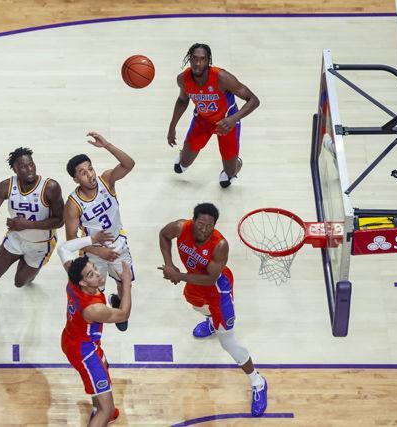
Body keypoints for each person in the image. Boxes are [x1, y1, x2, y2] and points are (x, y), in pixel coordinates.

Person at [158, 203, 268, 416]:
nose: (204, 229)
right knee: (194, 304)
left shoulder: (220, 245)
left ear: (214, 226)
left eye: (210, 226)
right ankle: (210, 321)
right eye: (201, 224)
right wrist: (169, 264)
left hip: (217, 290)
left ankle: (258, 381)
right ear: (193, 221)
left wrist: (178, 276)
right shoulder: (181, 227)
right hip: (194, 282)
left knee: (227, 342)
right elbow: (163, 235)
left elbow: (210, 279)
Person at [57, 230, 132, 426]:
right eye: (91, 274)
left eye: (94, 269)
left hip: (71, 338)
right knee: (106, 411)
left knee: (104, 367)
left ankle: (101, 407)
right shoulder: (94, 309)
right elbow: (123, 314)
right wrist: (126, 285)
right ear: (83, 282)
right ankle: (102, 414)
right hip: (85, 351)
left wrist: (93, 240)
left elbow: (64, 247)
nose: (98, 273)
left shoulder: (74, 279)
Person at [0, 147, 64, 303]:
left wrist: (28, 224)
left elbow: (60, 220)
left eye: (31, 164)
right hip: (16, 237)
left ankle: (30, 267)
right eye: (22, 166)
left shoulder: (50, 187)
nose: (29, 169)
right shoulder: (6, 186)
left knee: (20, 282)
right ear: (14, 169)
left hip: (41, 244)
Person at [65, 132, 136, 331]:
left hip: (118, 244)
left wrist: (107, 145)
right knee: (96, 291)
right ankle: (102, 314)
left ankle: (119, 307)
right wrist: (98, 251)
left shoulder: (106, 180)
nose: (90, 175)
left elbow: (129, 164)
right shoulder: (72, 204)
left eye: (90, 169)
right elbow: (71, 240)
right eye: (83, 172)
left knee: (124, 283)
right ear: (75, 179)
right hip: (93, 252)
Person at [167, 43, 260, 188]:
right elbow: (182, 100)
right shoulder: (183, 79)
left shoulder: (222, 78)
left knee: (227, 176)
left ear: (208, 60)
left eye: (202, 59)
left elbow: (254, 100)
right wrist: (172, 127)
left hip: (227, 123)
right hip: (202, 121)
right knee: (182, 165)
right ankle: (184, 153)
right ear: (189, 59)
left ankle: (237, 163)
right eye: (194, 58)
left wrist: (233, 119)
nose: (198, 63)